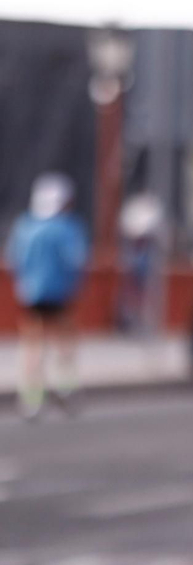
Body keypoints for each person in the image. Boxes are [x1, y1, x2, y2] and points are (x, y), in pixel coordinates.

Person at [6, 173, 89, 420]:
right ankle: (65, 388)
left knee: (32, 344)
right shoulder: (67, 228)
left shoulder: (25, 226)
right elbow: (76, 260)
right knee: (64, 340)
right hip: (60, 294)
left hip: (30, 293)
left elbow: (15, 258)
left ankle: (32, 396)